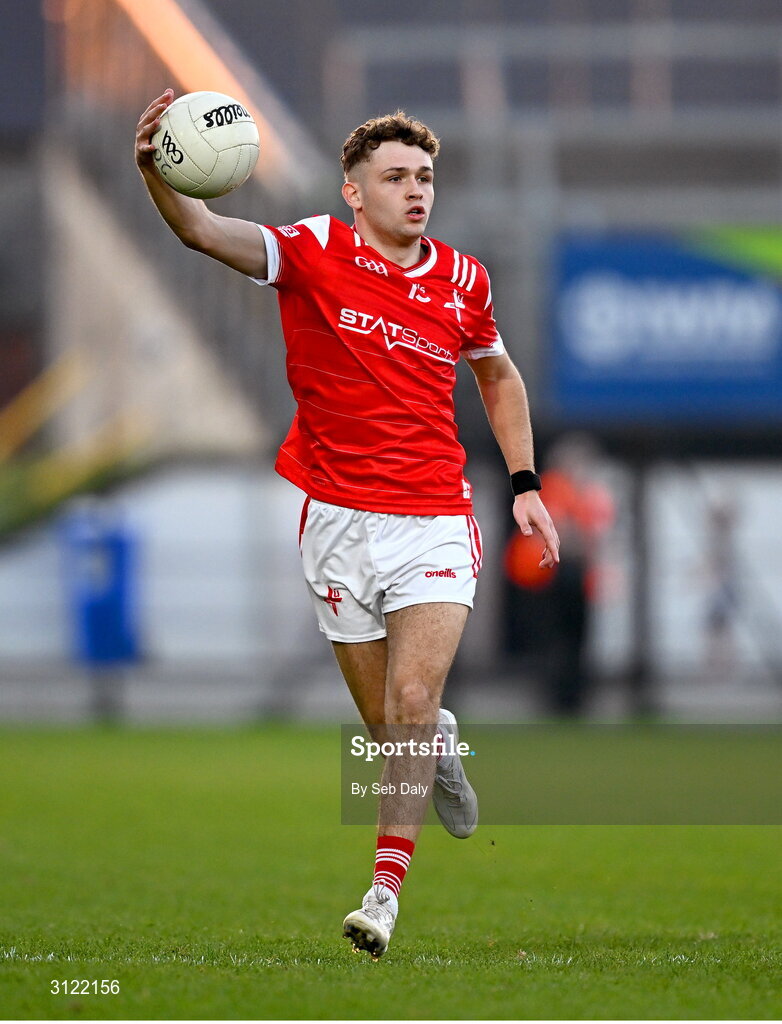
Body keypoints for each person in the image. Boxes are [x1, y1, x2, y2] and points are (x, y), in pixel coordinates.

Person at [135, 90, 559, 959]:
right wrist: (155, 171)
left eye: (426, 177)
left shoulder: (464, 279)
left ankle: (383, 894)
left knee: (406, 701)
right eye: (396, 176)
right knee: (391, 726)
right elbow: (202, 231)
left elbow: (501, 377)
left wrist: (523, 482)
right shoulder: (311, 250)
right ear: (353, 191)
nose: (416, 191)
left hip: (437, 516)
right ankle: (437, 740)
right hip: (337, 520)